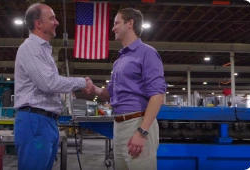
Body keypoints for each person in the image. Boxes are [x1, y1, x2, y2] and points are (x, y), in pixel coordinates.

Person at [13, 3, 94, 170]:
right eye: (52, 18)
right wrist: (81, 83)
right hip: (35, 120)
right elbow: (48, 83)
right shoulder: (30, 48)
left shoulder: (44, 51)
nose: (56, 22)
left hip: (45, 121)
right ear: (38, 23)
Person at [85, 8, 167, 170]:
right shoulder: (120, 60)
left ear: (130, 24)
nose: (113, 28)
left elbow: (157, 95)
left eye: (116, 23)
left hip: (137, 123)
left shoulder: (147, 53)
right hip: (119, 126)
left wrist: (142, 132)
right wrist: (93, 88)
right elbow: (111, 95)